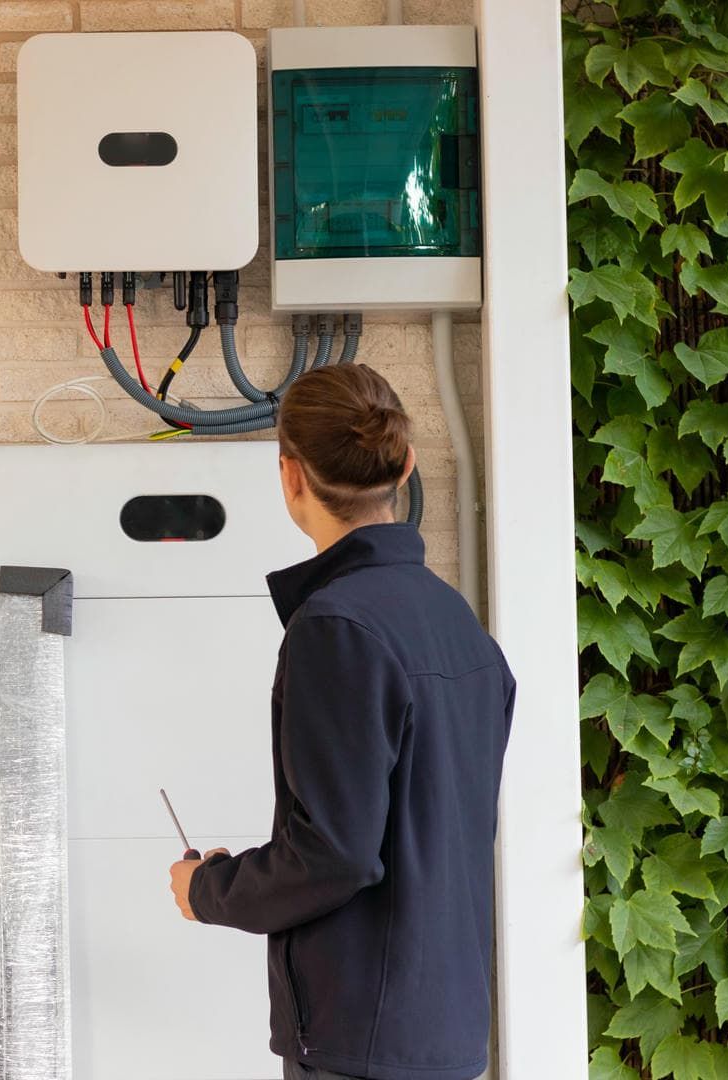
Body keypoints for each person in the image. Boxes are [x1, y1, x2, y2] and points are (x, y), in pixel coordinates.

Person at [167, 364, 515, 1080]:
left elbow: (336, 853)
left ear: (290, 476)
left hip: (361, 1045)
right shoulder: (458, 624)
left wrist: (207, 892)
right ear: (406, 465)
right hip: (444, 1037)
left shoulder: (337, 628)